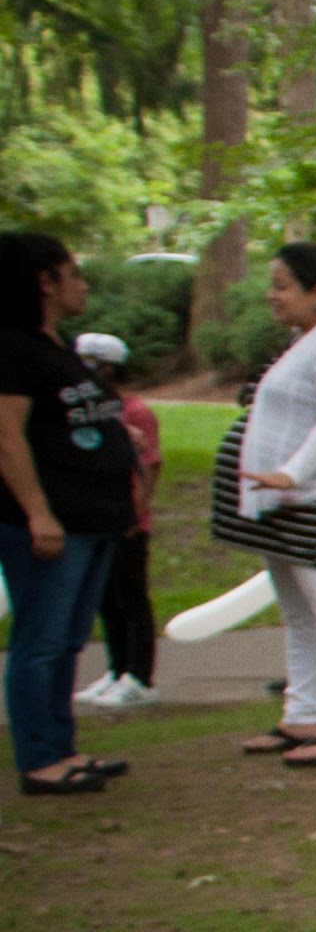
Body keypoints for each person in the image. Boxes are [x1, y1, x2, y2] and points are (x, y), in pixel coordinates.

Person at [212, 243, 316, 772]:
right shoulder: (302, 342)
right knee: (299, 616)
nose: (272, 295)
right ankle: (301, 716)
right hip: (284, 502)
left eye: (283, 285)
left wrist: (293, 472)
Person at [0, 233, 130, 794]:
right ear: (44, 282)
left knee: (70, 639)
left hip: (94, 519)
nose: (84, 283)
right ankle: (39, 759)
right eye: (73, 273)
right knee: (41, 640)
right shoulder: (12, 347)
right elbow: (7, 437)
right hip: (53, 524)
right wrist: (38, 514)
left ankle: (62, 747)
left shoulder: (59, 347)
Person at [74, 332, 160, 711]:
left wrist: (134, 511)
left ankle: (140, 676)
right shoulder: (98, 410)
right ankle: (117, 668)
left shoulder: (136, 412)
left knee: (131, 598)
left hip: (128, 522)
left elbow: (151, 466)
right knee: (106, 600)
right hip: (102, 518)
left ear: (107, 366)